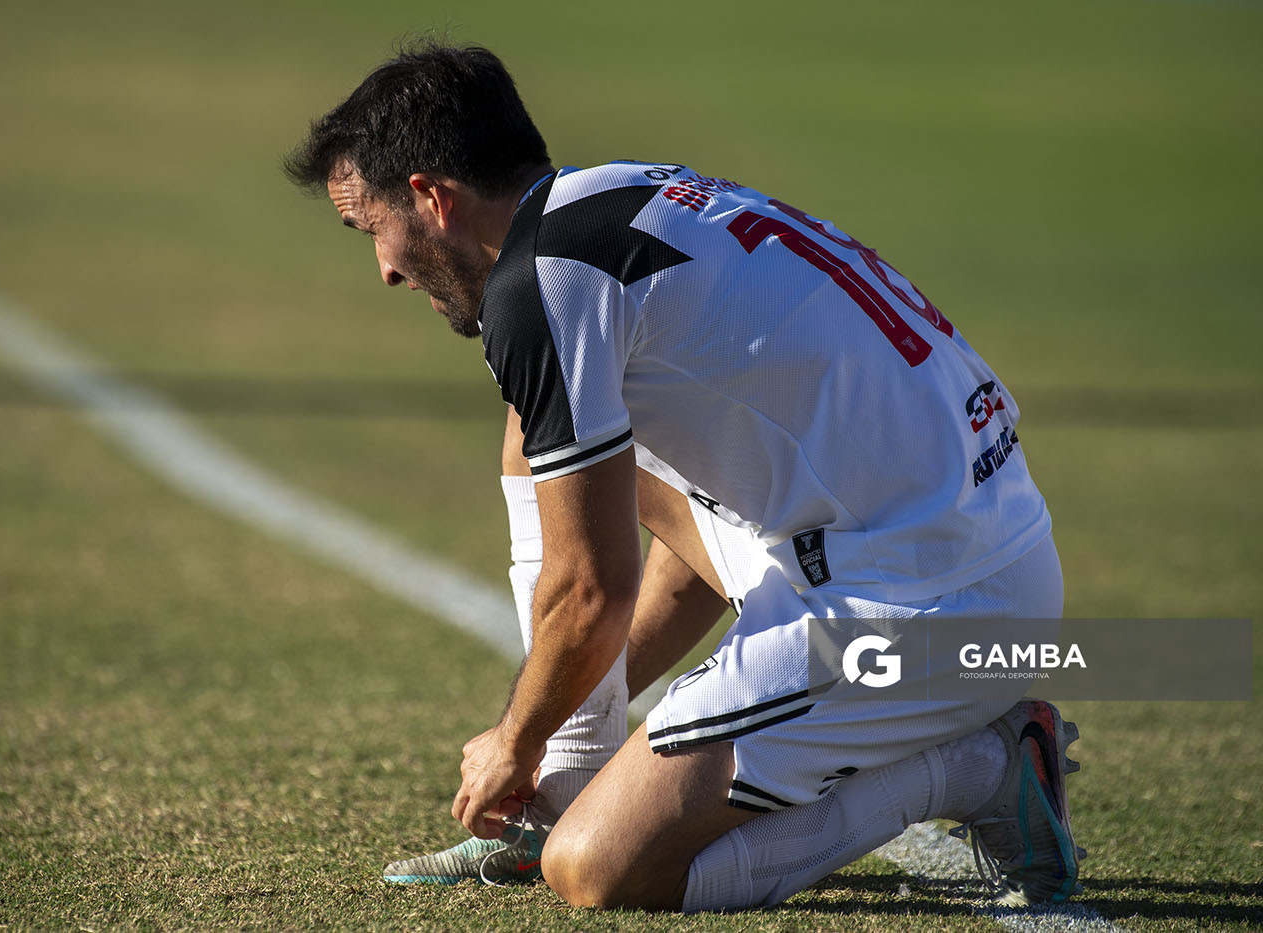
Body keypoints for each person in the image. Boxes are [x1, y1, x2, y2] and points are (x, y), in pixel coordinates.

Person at [284, 40, 1082, 912]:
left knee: (598, 868)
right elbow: (704, 507)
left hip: (925, 597)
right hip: (976, 548)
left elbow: (592, 587)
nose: (387, 268)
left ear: (434, 198)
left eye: (372, 229)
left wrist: (517, 736)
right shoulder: (610, 196)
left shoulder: (540, 285)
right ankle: (560, 795)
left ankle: (980, 767)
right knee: (538, 430)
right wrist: (561, 738)